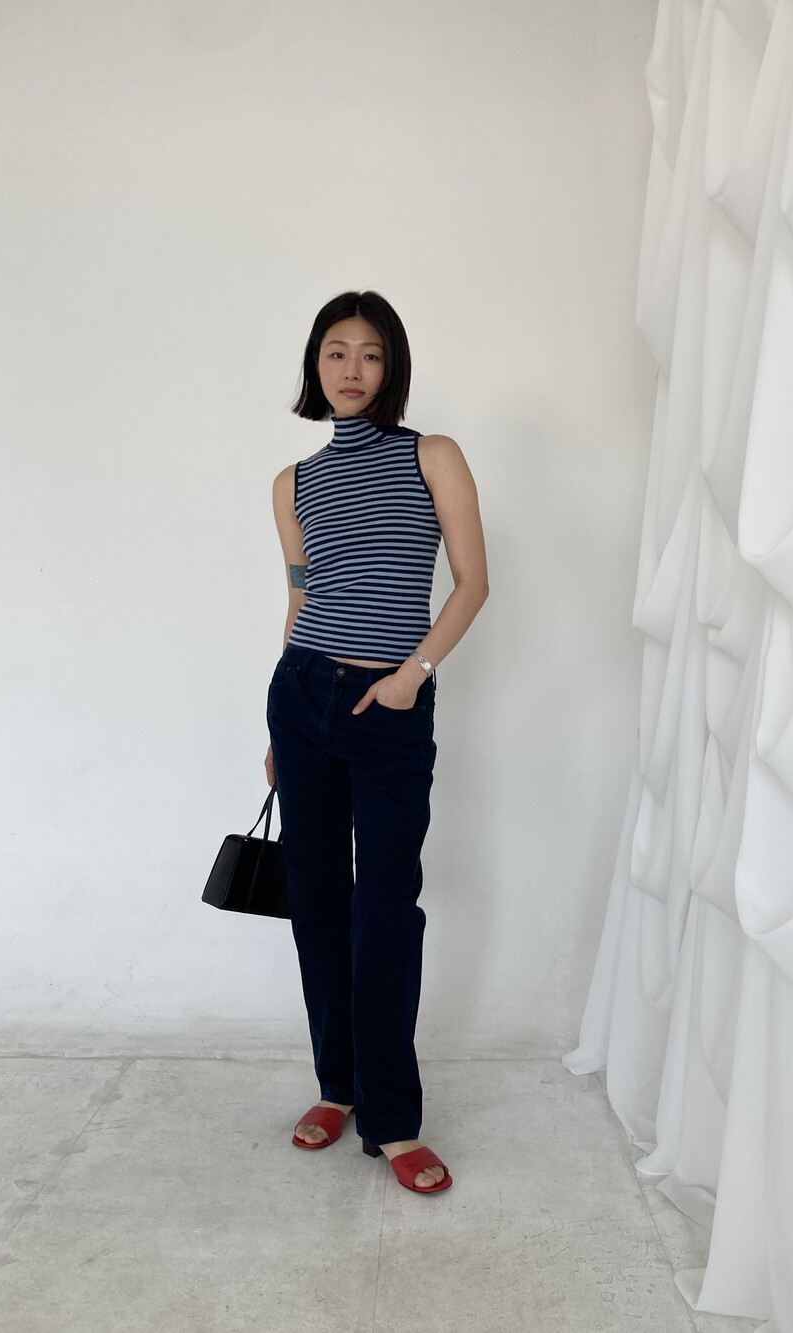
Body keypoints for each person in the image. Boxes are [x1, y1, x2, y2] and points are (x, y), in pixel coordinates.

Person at [264, 290, 488, 1194]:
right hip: (302, 696)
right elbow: (300, 598)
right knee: (317, 900)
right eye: (335, 352)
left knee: (387, 906)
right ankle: (339, 1084)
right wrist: (276, 726)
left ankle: (393, 1119)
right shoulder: (293, 483)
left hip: (390, 705)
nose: (351, 369)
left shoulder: (433, 455)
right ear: (314, 365)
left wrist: (412, 675)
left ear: (391, 365)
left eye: (369, 353)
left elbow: (472, 582)